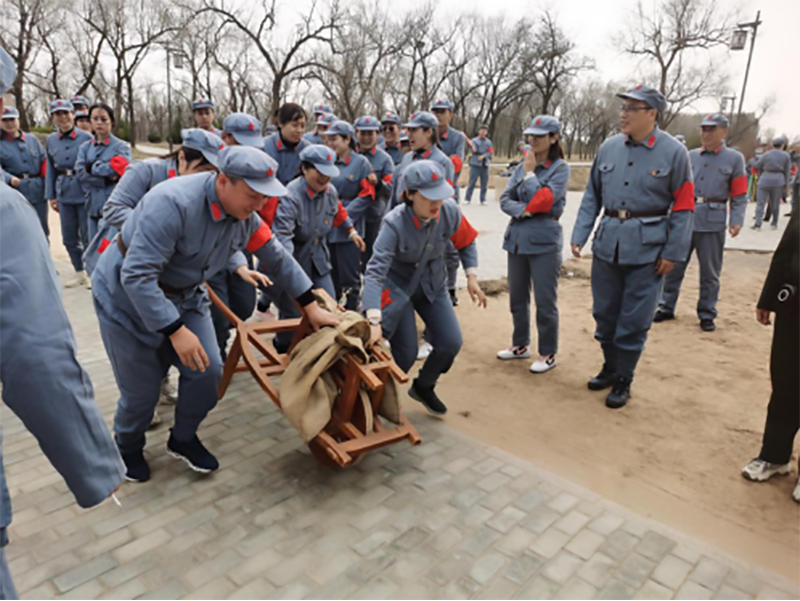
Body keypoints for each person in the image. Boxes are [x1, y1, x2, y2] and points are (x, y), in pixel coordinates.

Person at [92, 146, 340, 482]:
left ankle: (182, 438)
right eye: (253, 195)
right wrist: (176, 331)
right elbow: (136, 276)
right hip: (126, 300)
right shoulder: (172, 203)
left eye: (264, 198)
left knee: (208, 372)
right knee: (142, 391)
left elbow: (276, 256)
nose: (259, 206)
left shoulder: (245, 216)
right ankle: (127, 444)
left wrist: (310, 304)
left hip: (186, 296)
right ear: (223, 181)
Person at [0, 47, 125, 598]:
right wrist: (95, 466)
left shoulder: (114, 150)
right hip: (66, 202)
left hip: (92, 201)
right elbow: (37, 355)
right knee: (79, 248)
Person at [571, 85, 694, 409]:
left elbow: (683, 206)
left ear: (652, 113)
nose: (623, 114)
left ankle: (624, 377)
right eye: (623, 108)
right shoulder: (609, 148)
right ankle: (610, 367)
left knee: (635, 318)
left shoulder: (673, 153)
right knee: (604, 313)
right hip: (608, 243)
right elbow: (592, 196)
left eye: (632, 108)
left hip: (649, 250)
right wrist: (580, 234)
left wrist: (672, 252)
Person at [363, 160, 487, 416]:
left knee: (450, 342)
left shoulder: (449, 211)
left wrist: (471, 277)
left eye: (440, 195)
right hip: (398, 288)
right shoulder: (393, 223)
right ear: (409, 194)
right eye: (429, 197)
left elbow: (466, 241)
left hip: (432, 284)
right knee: (406, 353)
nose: (436, 203)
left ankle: (424, 386)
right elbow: (375, 272)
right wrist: (373, 317)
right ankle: (371, 399)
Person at [655, 114, 747, 331]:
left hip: (712, 222)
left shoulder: (734, 159)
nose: (706, 134)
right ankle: (666, 306)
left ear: (724, 131)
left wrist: (736, 219)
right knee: (673, 267)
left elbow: (739, 194)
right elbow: (674, 187)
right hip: (685, 219)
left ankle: (707, 313)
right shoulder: (689, 156)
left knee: (710, 273)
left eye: (711, 129)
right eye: (703, 129)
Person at [272, 145, 366, 351]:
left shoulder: (330, 191)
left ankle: (320, 354)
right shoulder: (290, 196)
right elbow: (282, 238)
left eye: (329, 173)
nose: (325, 179)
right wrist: (289, 275)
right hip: (295, 262)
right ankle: (283, 347)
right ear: (305, 168)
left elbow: (338, 211)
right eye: (320, 173)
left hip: (319, 261)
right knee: (294, 314)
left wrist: (351, 232)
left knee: (329, 307)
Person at [497, 116, 570, 373]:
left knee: (545, 300)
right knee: (517, 296)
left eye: (540, 136)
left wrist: (529, 175)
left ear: (554, 138)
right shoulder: (522, 165)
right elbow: (505, 199)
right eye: (531, 135)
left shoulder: (560, 168)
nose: (533, 140)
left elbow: (545, 201)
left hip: (543, 242)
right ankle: (520, 344)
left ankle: (548, 353)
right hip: (517, 238)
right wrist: (526, 210)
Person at [742, 209, 800, 504]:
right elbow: (786, 249)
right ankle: (775, 457)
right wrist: (767, 299)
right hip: (794, 310)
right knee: (785, 383)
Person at [319, 120, 373, 310]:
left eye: (335, 139)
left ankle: (351, 313)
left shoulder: (361, 163)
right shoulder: (327, 161)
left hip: (350, 226)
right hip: (328, 224)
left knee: (349, 275)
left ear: (348, 139)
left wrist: (345, 215)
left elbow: (367, 194)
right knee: (330, 272)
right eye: (328, 139)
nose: (331, 143)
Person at [45, 99, 94, 288]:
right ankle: (79, 271)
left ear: (72, 114)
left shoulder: (86, 138)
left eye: (65, 113)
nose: (63, 117)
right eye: (58, 114)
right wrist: (51, 196)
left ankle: (91, 271)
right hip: (64, 191)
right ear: (53, 118)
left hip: (83, 190)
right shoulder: (51, 140)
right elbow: (50, 168)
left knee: (88, 235)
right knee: (69, 237)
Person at [75, 103, 132, 243]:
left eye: (104, 119)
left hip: (113, 203)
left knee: (112, 247)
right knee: (92, 246)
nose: (99, 122)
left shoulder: (121, 147)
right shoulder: (85, 148)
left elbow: (121, 171)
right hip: (92, 203)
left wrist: (93, 168)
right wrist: (106, 179)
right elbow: (81, 172)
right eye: (95, 118)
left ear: (111, 122)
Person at [0, 106, 48, 237]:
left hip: (37, 189)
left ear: (18, 120)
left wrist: (49, 186)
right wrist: (9, 178)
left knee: (41, 229)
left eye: (12, 119)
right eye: (5, 120)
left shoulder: (32, 140)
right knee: (19, 230)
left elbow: (44, 162)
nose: (9, 123)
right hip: (15, 192)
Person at [355, 115, 394, 269]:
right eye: (362, 133)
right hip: (353, 215)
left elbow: (390, 189)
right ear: (356, 133)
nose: (366, 138)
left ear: (378, 134)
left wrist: (378, 183)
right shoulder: (349, 156)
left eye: (370, 134)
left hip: (373, 215)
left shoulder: (385, 159)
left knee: (371, 258)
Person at [263, 103, 311, 185]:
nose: (299, 130)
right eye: (295, 125)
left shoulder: (308, 150)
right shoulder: (264, 147)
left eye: (302, 126)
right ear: (281, 123)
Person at [431, 99, 466, 203]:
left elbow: (456, 164)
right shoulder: (426, 135)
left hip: (449, 188)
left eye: (442, 112)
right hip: (428, 188)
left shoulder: (458, 137)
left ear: (451, 115)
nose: (438, 115)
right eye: (435, 112)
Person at [753, 136, 791, 230]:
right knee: (775, 203)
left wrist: (764, 168)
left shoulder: (766, 154)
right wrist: (787, 185)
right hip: (778, 180)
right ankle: (774, 223)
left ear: (772, 145)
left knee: (760, 203)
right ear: (782, 145)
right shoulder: (786, 156)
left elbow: (757, 165)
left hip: (765, 178)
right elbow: (787, 171)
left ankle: (758, 224)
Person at [465, 125, 494, 205]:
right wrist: (472, 146)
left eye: (485, 131)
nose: (483, 132)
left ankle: (483, 199)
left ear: (487, 132)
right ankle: (467, 198)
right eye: (481, 130)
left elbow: (491, 152)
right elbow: (474, 150)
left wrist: (484, 156)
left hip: (485, 164)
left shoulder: (489, 142)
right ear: (479, 131)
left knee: (484, 183)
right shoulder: (474, 141)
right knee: (472, 182)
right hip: (475, 163)